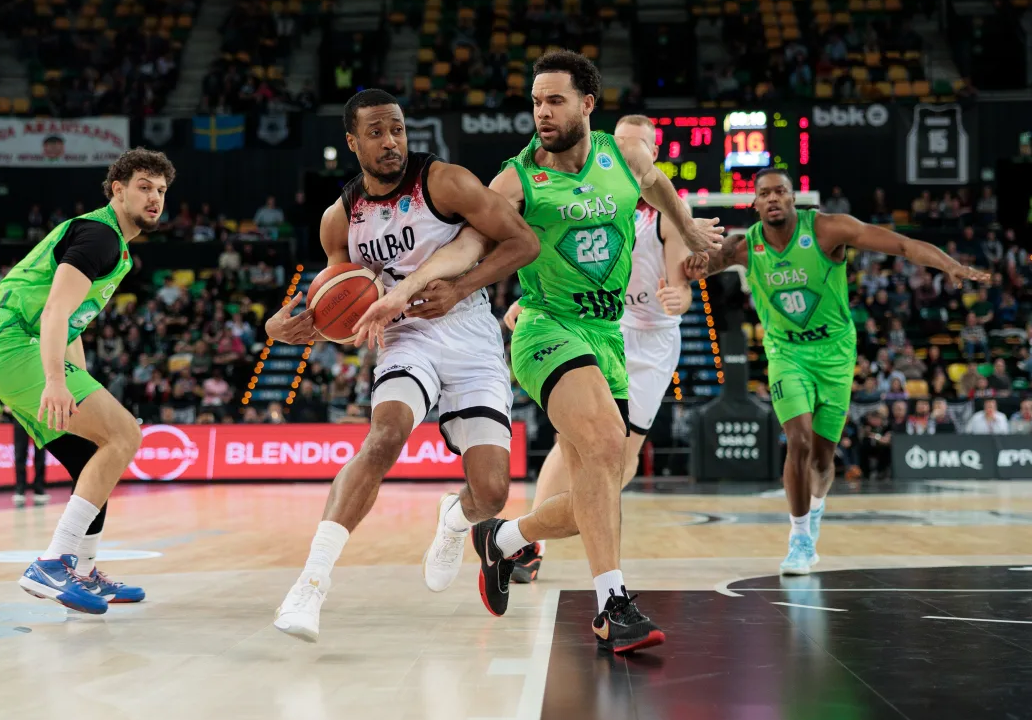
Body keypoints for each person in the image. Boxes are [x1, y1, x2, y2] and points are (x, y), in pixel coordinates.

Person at [432, 50, 721, 655]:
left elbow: (657, 185)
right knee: (605, 447)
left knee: (604, 485)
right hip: (545, 329)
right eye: (536, 101)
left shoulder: (625, 156)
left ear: (588, 104)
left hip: (607, 336)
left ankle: (505, 539)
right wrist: (436, 286)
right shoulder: (515, 179)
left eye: (555, 100)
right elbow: (468, 242)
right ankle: (612, 605)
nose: (542, 112)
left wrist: (688, 228)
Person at [264, 88, 540, 642]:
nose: (390, 141)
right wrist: (290, 327)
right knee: (383, 438)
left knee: (491, 494)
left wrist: (459, 288)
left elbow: (523, 242)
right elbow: (343, 308)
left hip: (470, 336)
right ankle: (310, 585)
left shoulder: (445, 182)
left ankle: (454, 520)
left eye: (397, 129)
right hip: (405, 337)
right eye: (376, 132)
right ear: (352, 141)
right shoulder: (338, 221)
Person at [683, 167, 987, 574]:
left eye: (781, 191)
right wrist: (676, 263)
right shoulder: (743, 248)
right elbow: (693, 267)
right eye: (764, 194)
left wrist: (947, 264)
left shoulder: (828, 229)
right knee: (799, 440)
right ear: (754, 203)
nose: (773, 198)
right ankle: (799, 536)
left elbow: (901, 244)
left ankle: (816, 509)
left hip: (836, 356)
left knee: (824, 462)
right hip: (786, 354)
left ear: (794, 199)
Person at [0, 148, 176, 615]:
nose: (155, 198)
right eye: (144, 186)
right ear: (117, 190)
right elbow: (55, 311)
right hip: (12, 344)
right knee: (125, 434)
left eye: (161, 190)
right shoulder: (100, 236)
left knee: (90, 454)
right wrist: (54, 381)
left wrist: (74, 378)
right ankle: (52, 562)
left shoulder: (114, 245)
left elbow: (72, 324)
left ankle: (82, 570)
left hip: (6, 349)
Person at [499, 114, 695, 584]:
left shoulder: (662, 216)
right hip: (587, 325)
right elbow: (538, 249)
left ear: (652, 153)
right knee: (577, 449)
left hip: (647, 341)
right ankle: (532, 547)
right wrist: (527, 302)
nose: (625, 153)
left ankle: (511, 534)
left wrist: (680, 297)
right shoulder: (577, 188)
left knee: (615, 469)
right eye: (620, 143)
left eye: (637, 146)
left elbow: (683, 285)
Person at [11, 412, 48, 506]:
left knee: (40, 453)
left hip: (38, 413)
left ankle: (39, 488)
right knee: (20, 452)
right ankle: (20, 489)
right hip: (20, 413)